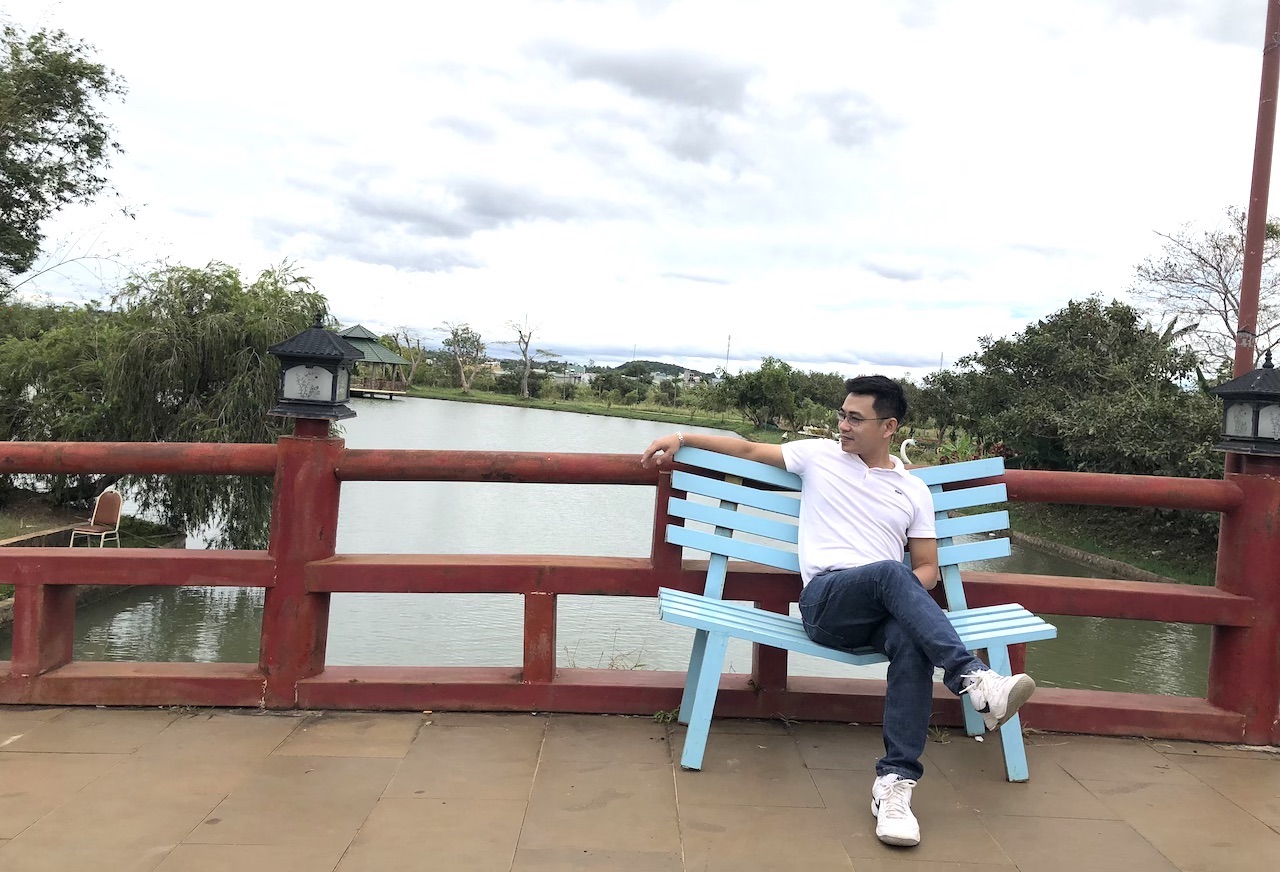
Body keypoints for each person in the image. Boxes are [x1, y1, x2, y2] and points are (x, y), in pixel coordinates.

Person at [640, 374, 1035, 848]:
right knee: (889, 572)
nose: (842, 426)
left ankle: (895, 785)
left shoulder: (913, 491)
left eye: (855, 419)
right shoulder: (818, 456)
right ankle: (973, 679)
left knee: (910, 637)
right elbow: (747, 450)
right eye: (842, 416)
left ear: (888, 427)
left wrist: (899, 593)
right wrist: (681, 438)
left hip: (882, 610)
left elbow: (927, 568)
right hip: (826, 603)